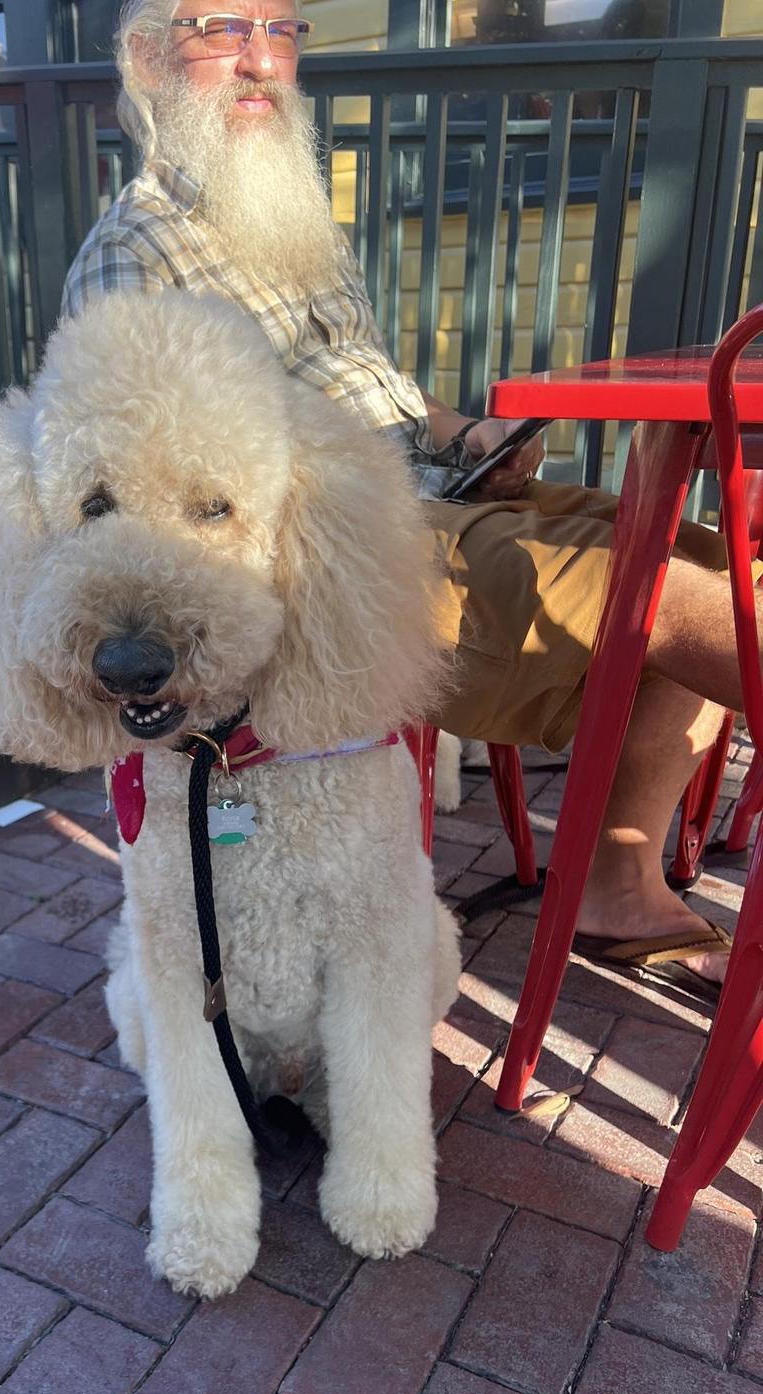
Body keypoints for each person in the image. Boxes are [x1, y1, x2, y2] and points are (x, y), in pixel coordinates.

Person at [61, 0, 749, 999]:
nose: (262, 60)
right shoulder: (137, 255)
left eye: (282, 30)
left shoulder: (286, 216)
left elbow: (361, 373)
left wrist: (466, 436)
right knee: (678, 605)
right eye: (224, 30)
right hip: (337, 555)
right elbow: (148, 494)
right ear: (151, 60)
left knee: (691, 553)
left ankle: (613, 874)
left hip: (429, 495)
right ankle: (609, 869)